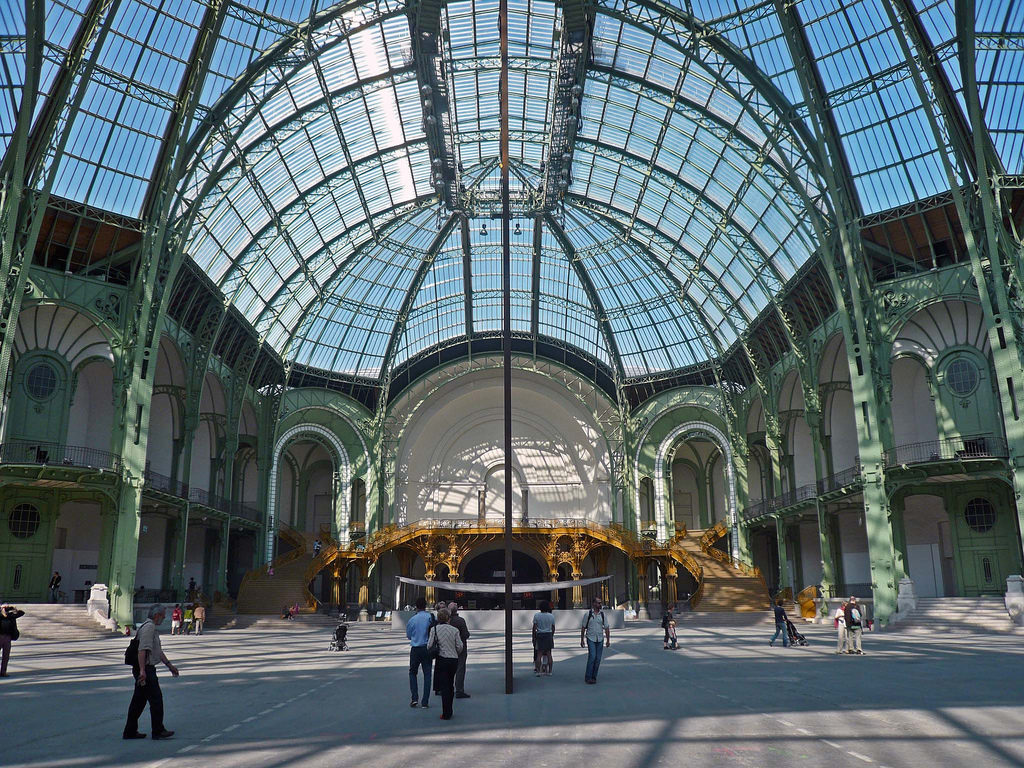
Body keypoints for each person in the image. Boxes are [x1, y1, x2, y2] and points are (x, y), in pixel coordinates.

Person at [123, 604, 179, 740]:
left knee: (139, 701)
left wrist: (169, 665)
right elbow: (142, 650)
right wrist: (142, 671)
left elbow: (157, 651)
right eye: (162, 615)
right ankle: (158, 730)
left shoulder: (149, 627)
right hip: (146, 669)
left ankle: (130, 731)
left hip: (143, 669)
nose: (164, 617)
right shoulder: (149, 627)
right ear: (156, 615)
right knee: (156, 699)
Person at [427, 608, 464, 721]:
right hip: (453, 660)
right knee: (450, 684)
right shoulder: (454, 630)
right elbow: (460, 646)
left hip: (441, 660)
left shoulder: (434, 629)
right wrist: (454, 652)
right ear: (448, 618)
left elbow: (429, 645)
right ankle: (450, 709)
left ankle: (445, 713)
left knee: (444, 686)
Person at [406, 596, 433, 709]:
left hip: (415, 648)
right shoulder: (430, 617)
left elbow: (408, 635)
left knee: (413, 673)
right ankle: (425, 701)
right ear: (425, 606)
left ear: (416, 607)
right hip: (427, 648)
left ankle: (414, 698)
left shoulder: (412, 619)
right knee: (427, 674)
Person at [580, 597, 610, 684]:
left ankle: (594, 676)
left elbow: (607, 628)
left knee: (598, 659)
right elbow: (583, 627)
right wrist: (582, 640)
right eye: (598, 603)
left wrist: (608, 640)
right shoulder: (588, 614)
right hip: (591, 638)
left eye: (600, 603)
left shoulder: (603, 615)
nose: (600, 605)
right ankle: (588, 676)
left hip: (600, 638)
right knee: (592, 657)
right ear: (593, 604)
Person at [447, 602, 471, 698]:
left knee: (448, 669)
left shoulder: (446, 621)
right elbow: (466, 634)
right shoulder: (460, 620)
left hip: (448, 647)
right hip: (460, 648)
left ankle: (447, 688)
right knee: (460, 668)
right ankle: (459, 690)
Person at [0, 603, 25, 677]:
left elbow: (21, 613)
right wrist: (2, 609)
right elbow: (2, 615)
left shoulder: (11, 616)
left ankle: (3, 672)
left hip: (8, 637)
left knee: (6, 656)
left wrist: (14, 609)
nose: (6, 608)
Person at [533, 600, 555, 676]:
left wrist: (534, 637)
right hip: (548, 634)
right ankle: (550, 671)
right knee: (549, 653)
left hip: (540, 635)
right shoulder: (551, 616)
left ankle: (538, 671)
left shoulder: (537, 615)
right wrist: (551, 635)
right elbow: (553, 627)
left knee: (539, 654)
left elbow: (534, 628)